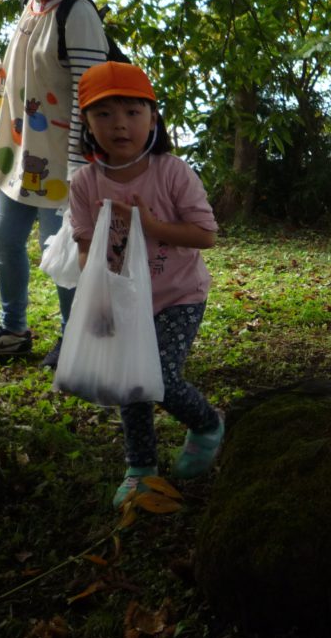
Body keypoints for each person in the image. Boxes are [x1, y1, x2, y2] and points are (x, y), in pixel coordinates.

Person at [68, 61, 224, 507]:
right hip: (122, 301)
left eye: (133, 112)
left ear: (153, 119)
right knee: (128, 380)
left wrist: (150, 225)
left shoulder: (172, 172)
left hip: (178, 295)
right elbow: (85, 248)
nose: (120, 124)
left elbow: (206, 236)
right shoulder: (84, 183)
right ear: (87, 124)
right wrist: (97, 294)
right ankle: (140, 468)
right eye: (104, 114)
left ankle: (208, 423)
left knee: (159, 377)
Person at [0, 0, 110, 368]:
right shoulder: (31, 7)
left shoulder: (77, 10)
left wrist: (80, 167)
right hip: (24, 154)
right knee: (4, 236)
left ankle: (75, 338)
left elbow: (92, 91)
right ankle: (13, 330)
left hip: (64, 160)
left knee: (62, 250)